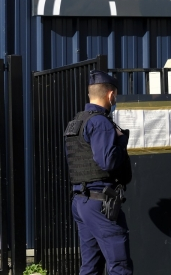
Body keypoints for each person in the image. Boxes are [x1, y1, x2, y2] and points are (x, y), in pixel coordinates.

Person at [64, 69, 133, 274]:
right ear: (111, 95)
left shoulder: (77, 121)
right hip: (100, 203)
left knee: (91, 265)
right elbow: (108, 162)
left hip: (81, 200)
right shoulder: (101, 123)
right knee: (119, 264)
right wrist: (120, 142)